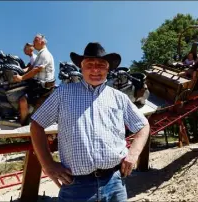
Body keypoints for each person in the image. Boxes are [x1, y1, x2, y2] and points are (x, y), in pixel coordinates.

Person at [30, 42, 150, 201]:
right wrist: (48, 164)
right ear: (81, 68)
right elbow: (36, 125)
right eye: (89, 65)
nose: (95, 69)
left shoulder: (119, 97)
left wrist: (133, 154)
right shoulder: (63, 93)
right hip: (75, 186)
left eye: (101, 65)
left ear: (108, 69)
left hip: (115, 182)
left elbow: (143, 125)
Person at [13, 33, 56, 125]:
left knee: (22, 100)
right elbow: (31, 67)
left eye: (35, 40)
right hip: (37, 85)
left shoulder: (45, 54)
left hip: (42, 88)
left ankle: (23, 123)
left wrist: (21, 78)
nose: (33, 43)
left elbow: (36, 69)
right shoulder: (40, 54)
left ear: (43, 42)